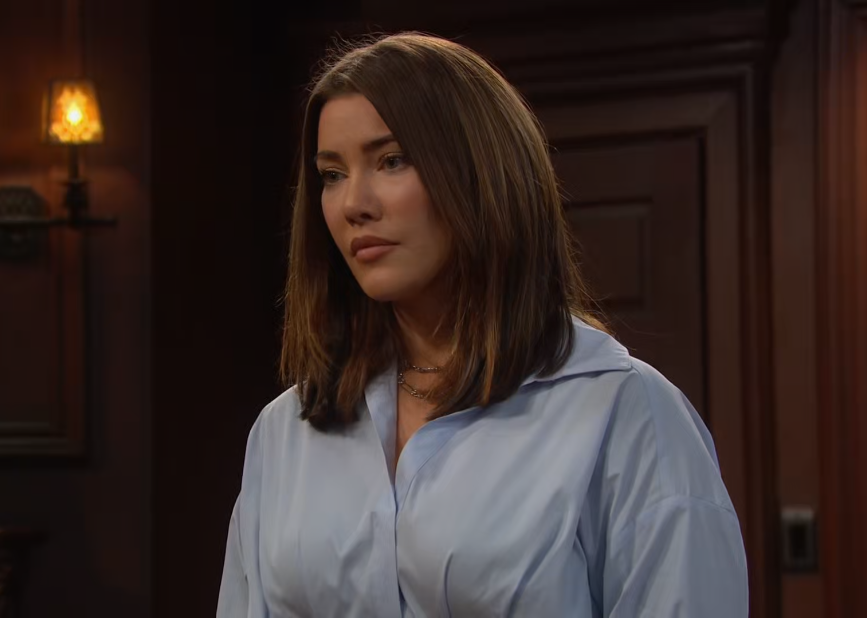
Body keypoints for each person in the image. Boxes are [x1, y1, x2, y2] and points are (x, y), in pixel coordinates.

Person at [217, 33, 748, 617]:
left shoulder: (624, 413)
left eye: (391, 160)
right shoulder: (285, 432)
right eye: (332, 174)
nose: (353, 204)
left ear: (480, 174)